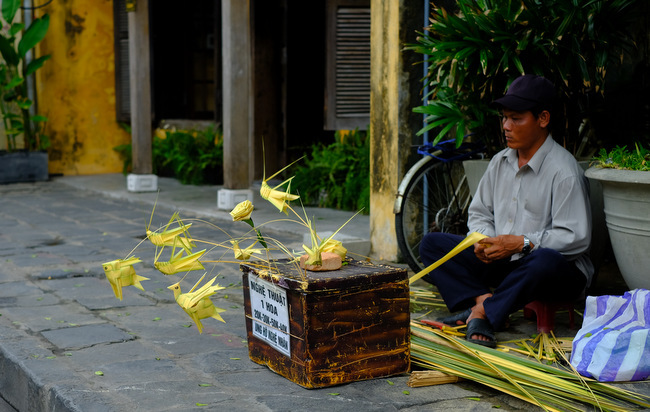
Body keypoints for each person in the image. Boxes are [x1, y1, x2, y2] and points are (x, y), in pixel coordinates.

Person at [419, 74, 594, 348]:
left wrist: (522, 243)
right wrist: (484, 240)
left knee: (544, 259)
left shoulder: (564, 171)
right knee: (432, 245)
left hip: (553, 271)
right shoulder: (500, 162)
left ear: (543, 119)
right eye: (504, 118)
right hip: (504, 262)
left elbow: (575, 237)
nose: (506, 126)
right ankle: (485, 302)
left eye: (516, 118)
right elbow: (479, 213)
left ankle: (483, 315)